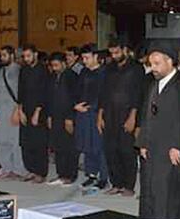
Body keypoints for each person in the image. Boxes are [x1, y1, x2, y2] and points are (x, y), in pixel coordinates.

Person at [137, 45, 180, 219]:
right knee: (151, 187)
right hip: (153, 147)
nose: (153, 67)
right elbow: (147, 115)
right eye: (150, 63)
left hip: (171, 149)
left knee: (168, 191)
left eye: (157, 63)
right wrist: (143, 142)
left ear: (170, 61)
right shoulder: (154, 84)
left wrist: (177, 146)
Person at [98, 39, 145, 197]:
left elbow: (138, 94)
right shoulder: (109, 68)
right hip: (109, 114)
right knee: (110, 150)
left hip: (127, 114)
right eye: (111, 53)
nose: (114, 55)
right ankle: (116, 183)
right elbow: (103, 93)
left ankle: (128, 185)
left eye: (117, 52)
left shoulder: (136, 68)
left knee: (126, 151)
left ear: (125, 50)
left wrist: (133, 117)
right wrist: (100, 115)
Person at [0, 46, 27, 179]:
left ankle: (18, 169)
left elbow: (22, 94)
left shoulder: (19, 71)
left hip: (14, 110)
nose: (2, 58)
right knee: (2, 141)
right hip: (1, 111)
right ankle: (6, 167)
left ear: (12, 56)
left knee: (15, 141)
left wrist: (18, 110)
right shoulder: (0, 71)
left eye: (4, 55)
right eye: (1, 55)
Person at [75, 44, 108, 189]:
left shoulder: (104, 73)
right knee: (87, 145)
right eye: (83, 58)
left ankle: (104, 177)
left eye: (87, 58)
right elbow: (76, 92)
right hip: (83, 113)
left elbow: (105, 96)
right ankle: (91, 174)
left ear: (96, 57)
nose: (84, 61)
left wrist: (94, 108)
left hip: (97, 114)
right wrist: (75, 105)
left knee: (99, 146)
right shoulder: (83, 72)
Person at [16, 45, 49, 183]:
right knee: (26, 142)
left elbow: (44, 92)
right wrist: (20, 110)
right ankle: (31, 169)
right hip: (25, 110)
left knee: (38, 143)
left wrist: (37, 112)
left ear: (35, 54)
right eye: (24, 56)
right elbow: (20, 91)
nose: (26, 59)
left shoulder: (43, 70)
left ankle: (40, 172)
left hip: (38, 111)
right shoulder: (23, 70)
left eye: (29, 56)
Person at [47, 52, 79, 185]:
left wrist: (70, 118)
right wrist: (49, 116)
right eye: (52, 65)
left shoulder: (72, 77)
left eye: (57, 65)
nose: (54, 68)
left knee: (69, 147)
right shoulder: (53, 77)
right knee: (58, 146)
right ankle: (61, 174)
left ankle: (70, 175)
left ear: (64, 63)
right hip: (55, 117)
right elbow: (48, 98)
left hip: (67, 117)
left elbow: (75, 98)